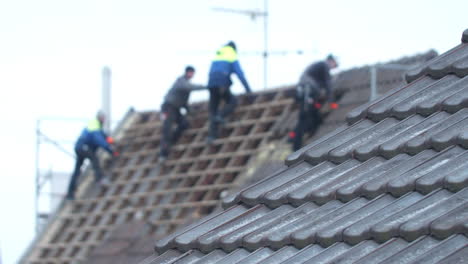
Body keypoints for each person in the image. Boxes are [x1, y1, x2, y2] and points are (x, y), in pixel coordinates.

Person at [289, 54, 338, 151]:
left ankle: (292, 137)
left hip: (306, 94)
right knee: (305, 118)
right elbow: (328, 85)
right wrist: (332, 102)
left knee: (308, 117)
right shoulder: (324, 66)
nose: (333, 68)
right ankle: (295, 145)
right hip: (308, 94)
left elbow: (324, 84)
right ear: (331, 61)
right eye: (334, 65)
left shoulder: (317, 69)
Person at [66, 111, 118, 200]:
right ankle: (100, 179)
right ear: (100, 118)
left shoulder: (95, 125)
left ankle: (70, 193)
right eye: (103, 118)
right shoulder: (95, 125)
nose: (104, 120)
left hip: (80, 147)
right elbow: (99, 139)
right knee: (95, 160)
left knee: (77, 170)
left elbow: (103, 136)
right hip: (84, 147)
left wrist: (110, 140)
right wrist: (110, 150)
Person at [206, 41, 251, 143]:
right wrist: (248, 89)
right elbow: (240, 74)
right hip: (222, 82)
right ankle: (221, 115)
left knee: (213, 109)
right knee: (232, 101)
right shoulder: (231, 53)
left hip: (211, 83)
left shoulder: (219, 53)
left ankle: (211, 136)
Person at [159, 66, 206, 161]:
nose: (191, 75)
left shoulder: (186, 85)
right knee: (167, 130)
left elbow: (184, 103)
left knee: (184, 124)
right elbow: (189, 87)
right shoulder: (181, 81)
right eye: (190, 72)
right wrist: (206, 87)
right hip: (168, 108)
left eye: (192, 73)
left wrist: (191, 112)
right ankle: (163, 154)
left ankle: (171, 141)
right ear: (187, 72)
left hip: (175, 109)